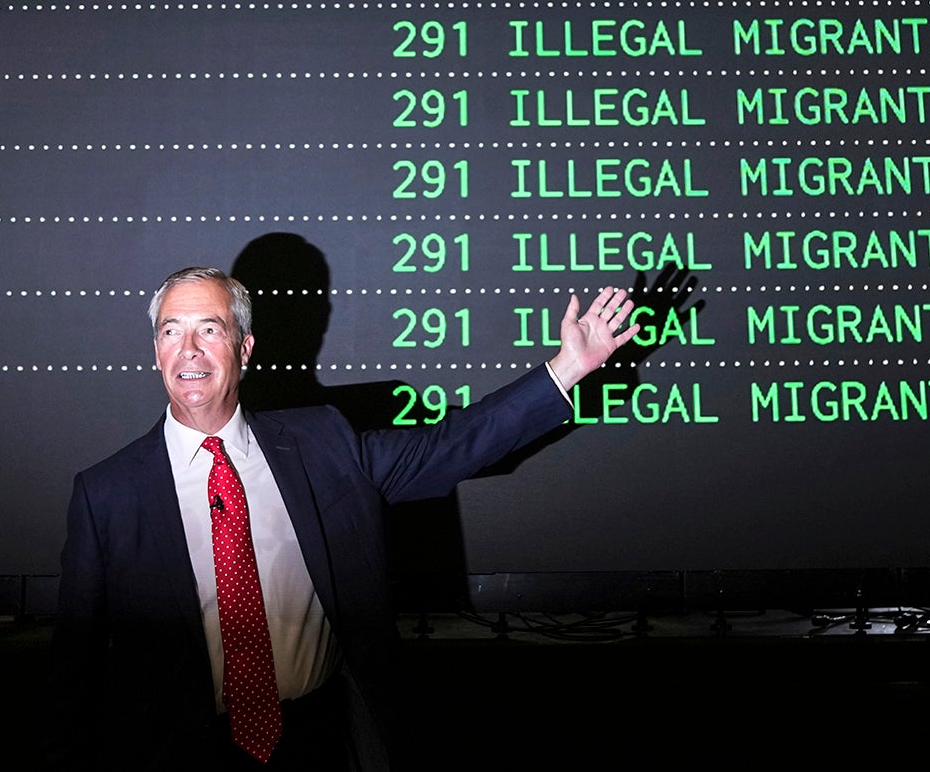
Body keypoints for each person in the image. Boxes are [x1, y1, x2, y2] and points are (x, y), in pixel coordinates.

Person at [53, 265, 637, 770]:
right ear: (156, 353)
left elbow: (451, 445)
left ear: (245, 348)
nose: (189, 350)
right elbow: (74, 674)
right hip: (179, 753)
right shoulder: (106, 494)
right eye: (170, 332)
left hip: (321, 742)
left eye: (210, 329)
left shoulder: (324, 443)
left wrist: (566, 368)